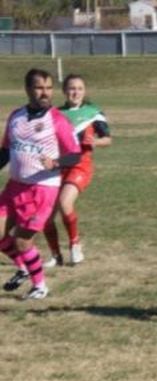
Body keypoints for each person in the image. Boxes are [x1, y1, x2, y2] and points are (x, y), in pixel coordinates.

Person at [0, 68, 81, 299]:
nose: (45, 93)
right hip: (14, 186)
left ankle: (40, 286)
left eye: (48, 88)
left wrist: (56, 163)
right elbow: (5, 152)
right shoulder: (15, 116)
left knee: (23, 241)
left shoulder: (57, 120)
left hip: (42, 189)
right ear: (27, 89)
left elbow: (75, 155)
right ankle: (24, 268)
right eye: (39, 88)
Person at [40, 74, 112, 268]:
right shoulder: (54, 113)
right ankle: (56, 255)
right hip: (57, 166)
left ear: (84, 91)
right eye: (72, 88)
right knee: (45, 215)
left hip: (81, 165)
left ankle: (75, 245)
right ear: (64, 91)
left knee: (65, 203)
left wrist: (95, 141)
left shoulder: (93, 112)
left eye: (80, 88)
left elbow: (108, 139)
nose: (76, 92)